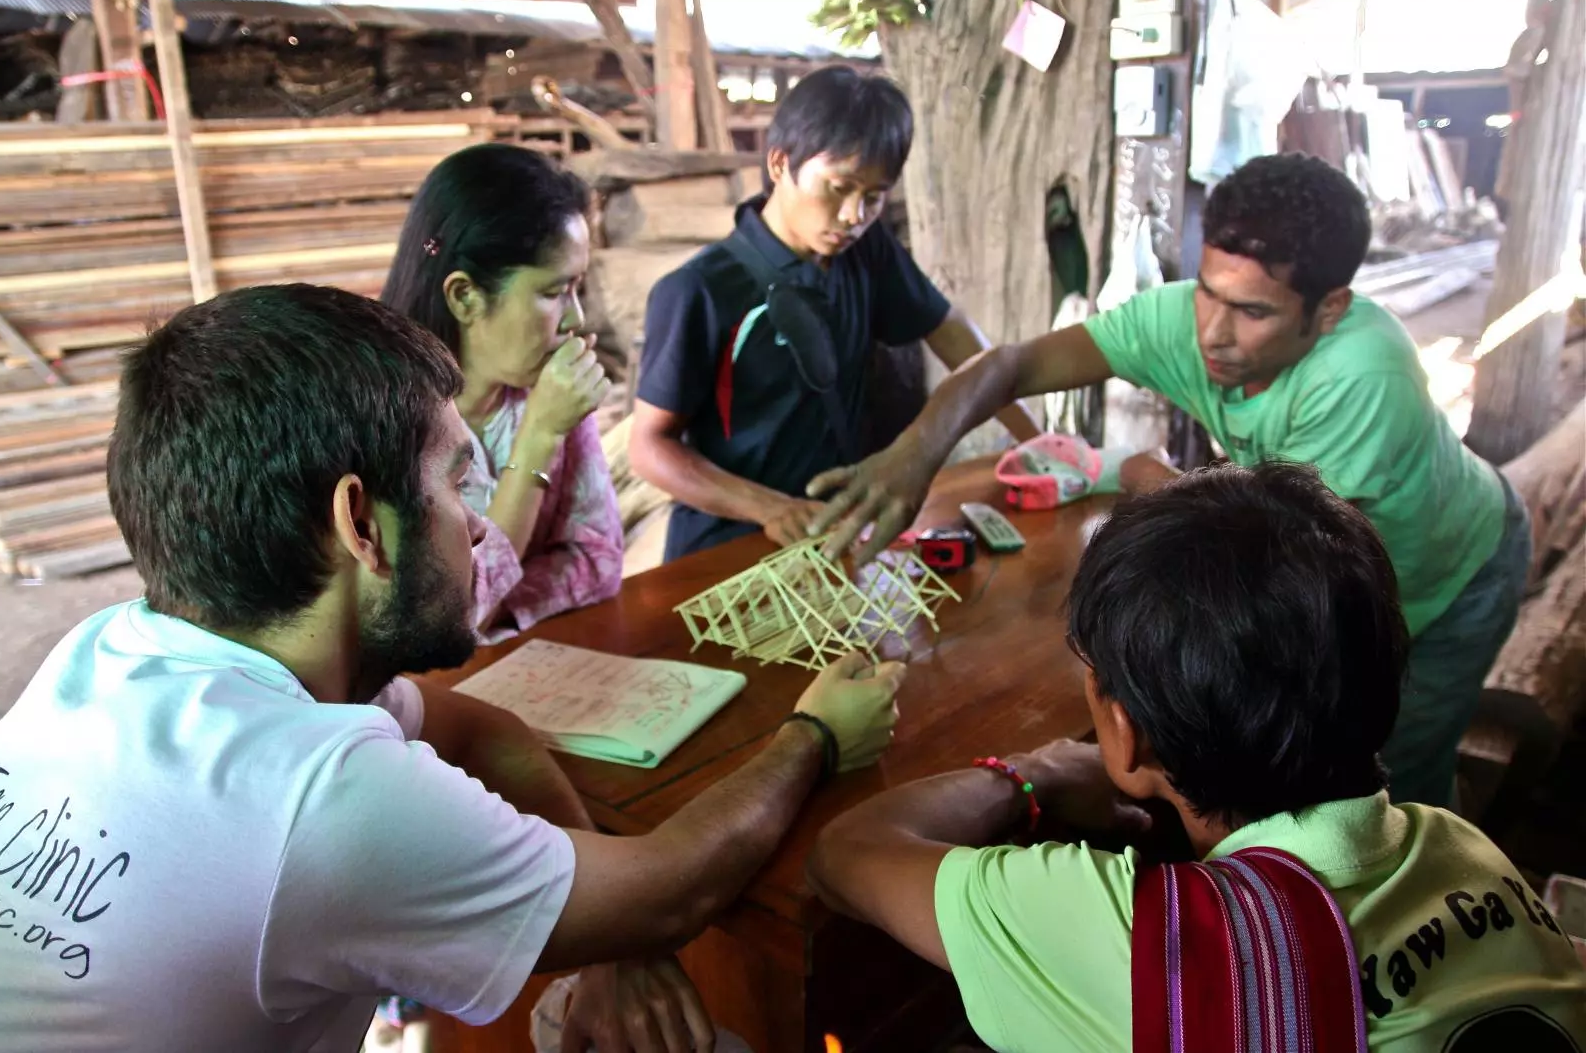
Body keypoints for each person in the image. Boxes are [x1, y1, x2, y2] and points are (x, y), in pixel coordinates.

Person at [0, 284, 905, 1053]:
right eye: (455, 484)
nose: (474, 525)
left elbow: (479, 727)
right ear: (360, 525)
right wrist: (815, 733)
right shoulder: (316, 795)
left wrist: (607, 929)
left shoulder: (112, 646)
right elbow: (673, 889)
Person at [810, 153, 1530, 808]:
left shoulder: (1363, 377)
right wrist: (915, 453)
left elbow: (1275, 566)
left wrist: (1146, 476)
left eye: (1253, 311)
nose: (1213, 332)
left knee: (1388, 781)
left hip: (1453, 575)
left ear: (1329, 309)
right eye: (1209, 292)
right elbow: (1008, 367)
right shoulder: (1181, 321)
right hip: (1315, 546)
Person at [808, 464, 1586, 1053]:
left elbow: (845, 855)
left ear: (1125, 732)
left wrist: (1034, 774)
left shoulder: (1150, 944)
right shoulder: (1464, 848)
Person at [629, 64, 1040, 562]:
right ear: (780, 163)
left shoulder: (865, 254)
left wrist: (1039, 448)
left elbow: (951, 333)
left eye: (874, 196)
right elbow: (650, 448)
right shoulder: (699, 290)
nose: (854, 216)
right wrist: (771, 509)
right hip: (726, 550)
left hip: (831, 541)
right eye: (839, 187)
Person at [380, 144, 622, 644]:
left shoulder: (546, 391)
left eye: (578, 289)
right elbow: (446, 618)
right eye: (555, 292)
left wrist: (496, 615)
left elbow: (600, 561)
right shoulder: (389, 426)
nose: (577, 319)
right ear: (466, 296)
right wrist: (538, 438)